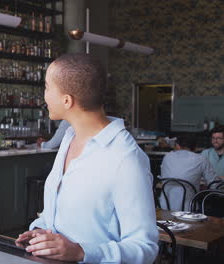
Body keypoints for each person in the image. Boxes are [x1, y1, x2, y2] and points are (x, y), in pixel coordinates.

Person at [16, 54, 158, 263]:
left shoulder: (126, 159)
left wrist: (81, 252)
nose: (43, 95)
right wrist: (41, 230)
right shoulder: (69, 138)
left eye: (47, 87)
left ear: (67, 100)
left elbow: (145, 248)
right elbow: (57, 213)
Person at [159, 135, 219, 211]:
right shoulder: (201, 159)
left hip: (164, 209)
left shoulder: (167, 157)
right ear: (195, 147)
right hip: (188, 211)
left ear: (177, 146)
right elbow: (215, 185)